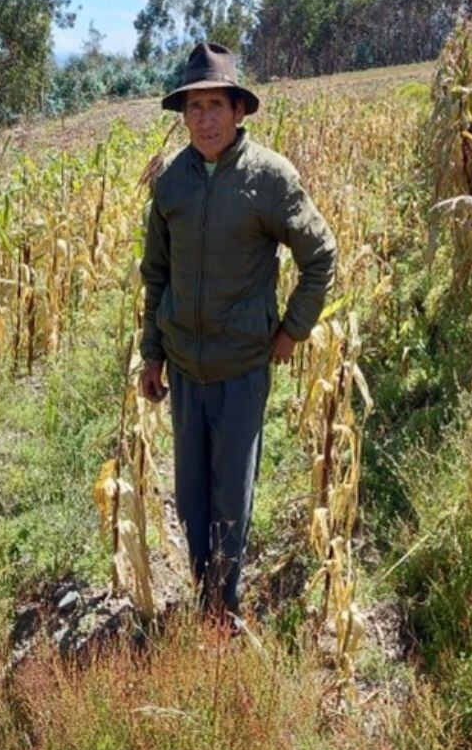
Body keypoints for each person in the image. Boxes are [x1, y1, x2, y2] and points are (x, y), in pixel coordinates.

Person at [137, 41, 336, 623]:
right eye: (194, 107)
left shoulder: (270, 179)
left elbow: (320, 255)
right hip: (185, 366)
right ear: (183, 115)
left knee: (231, 496)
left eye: (215, 105)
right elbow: (157, 274)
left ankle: (223, 606)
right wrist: (153, 353)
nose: (204, 119)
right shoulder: (171, 184)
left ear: (239, 110)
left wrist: (292, 330)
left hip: (242, 368)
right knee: (192, 496)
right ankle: (205, 593)